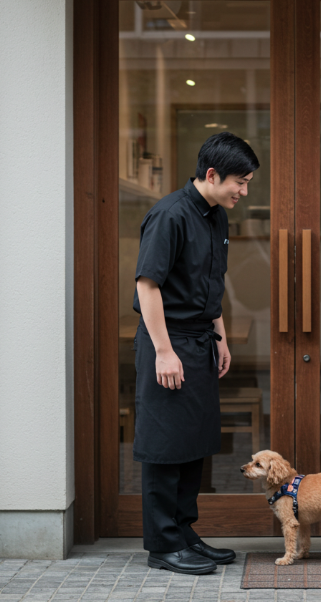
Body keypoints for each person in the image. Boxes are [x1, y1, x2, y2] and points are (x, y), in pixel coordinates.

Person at [133, 132, 259, 575]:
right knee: (166, 445)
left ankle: (185, 534)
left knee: (192, 443)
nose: (243, 191)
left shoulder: (216, 216)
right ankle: (163, 545)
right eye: (239, 182)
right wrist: (164, 352)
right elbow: (147, 285)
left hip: (201, 339)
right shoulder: (169, 215)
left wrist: (220, 335)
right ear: (211, 174)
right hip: (169, 340)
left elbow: (212, 282)